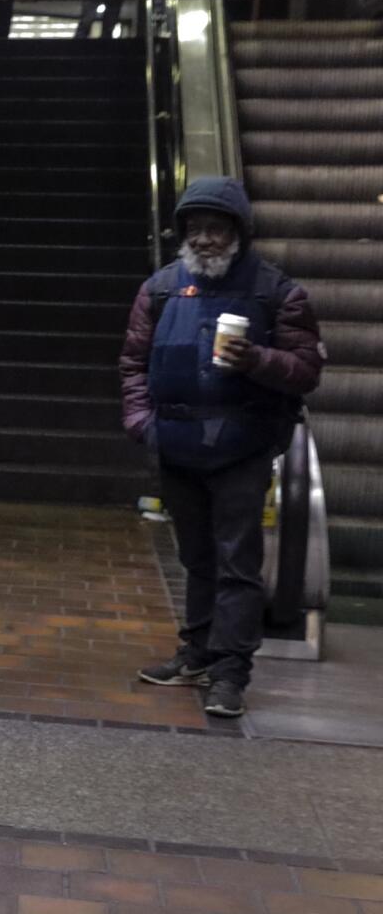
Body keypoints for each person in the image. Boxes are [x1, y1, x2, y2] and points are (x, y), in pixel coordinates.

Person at [119, 177, 323, 718]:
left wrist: (257, 360)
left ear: (238, 232)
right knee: (196, 557)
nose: (205, 239)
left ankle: (231, 670)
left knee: (238, 563)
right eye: (195, 228)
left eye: (216, 228)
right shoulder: (160, 289)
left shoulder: (276, 292)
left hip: (242, 449)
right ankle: (198, 650)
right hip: (177, 444)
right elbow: (133, 364)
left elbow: (306, 370)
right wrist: (144, 423)